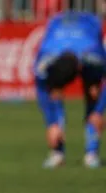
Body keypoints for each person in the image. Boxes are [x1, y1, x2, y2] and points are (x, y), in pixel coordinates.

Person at [35, 11, 106, 170]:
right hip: (58, 25)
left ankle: (91, 154)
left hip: (89, 27)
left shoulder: (94, 56)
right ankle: (57, 153)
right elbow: (41, 88)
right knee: (53, 96)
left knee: (93, 91)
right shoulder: (44, 57)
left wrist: (98, 112)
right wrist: (51, 123)